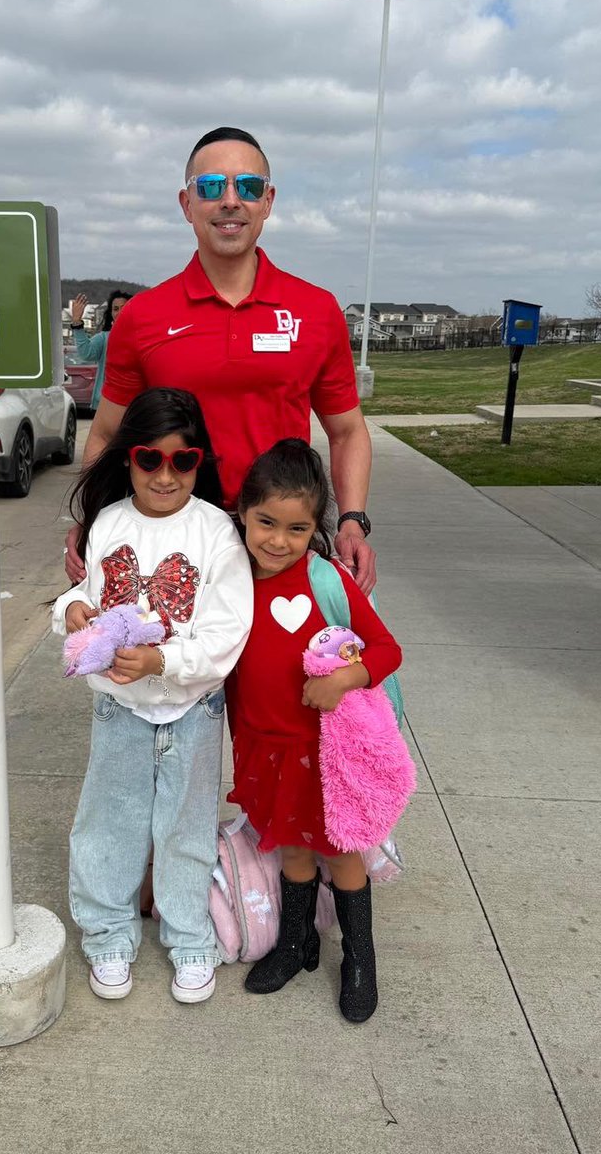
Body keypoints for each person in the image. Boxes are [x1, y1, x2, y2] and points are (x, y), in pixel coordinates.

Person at [66, 125, 376, 594]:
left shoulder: (315, 310)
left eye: (247, 186)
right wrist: (91, 519)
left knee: (291, 667)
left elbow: (347, 430)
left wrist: (352, 521)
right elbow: (108, 433)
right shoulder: (144, 317)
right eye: (211, 187)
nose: (230, 200)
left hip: (280, 542)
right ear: (186, 204)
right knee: (175, 667)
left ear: (267, 202)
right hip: (172, 542)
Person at [52, 387, 253, 1004]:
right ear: (127, 460)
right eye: (149, 459)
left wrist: (163, 660)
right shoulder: (109, 522)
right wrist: (75, 611)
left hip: (192, 710)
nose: (166, 475)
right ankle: (108, 936)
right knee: (108, 824)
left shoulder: (217, 531)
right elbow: (78, 597)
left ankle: (190, 937)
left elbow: (227, 633)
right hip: (119, 710)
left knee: (185, 827)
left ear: (200, 462)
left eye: (183, 461)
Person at [227, 438, 402, 1022]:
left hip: (324, 755)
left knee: (343, 854)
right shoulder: (228, 580)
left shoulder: (326, 580)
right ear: (243, 514)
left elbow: (386, 648)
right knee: (292, 850)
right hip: (261, 749)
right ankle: (295, 942)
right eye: (265, 523)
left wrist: (345, 679)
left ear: (315, 529)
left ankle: (360, 959)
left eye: (297, 529)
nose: (278, 540)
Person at [69, 289, 133, 413]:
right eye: (115, 309)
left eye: (124, 307)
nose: (120, 312)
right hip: (105, 405)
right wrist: (76, 322)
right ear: (111, 313)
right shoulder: (104, 338)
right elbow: (86, 353)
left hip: (134, 406)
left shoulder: (142, 337)